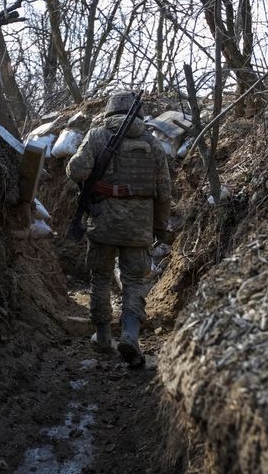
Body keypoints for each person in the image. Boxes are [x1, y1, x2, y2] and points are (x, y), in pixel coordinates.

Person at [66, 91, 171, 367]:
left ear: (110, 112)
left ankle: (102, 337)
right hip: (139, 228)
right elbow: (164, 192)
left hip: (102, 222)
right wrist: (160, 228)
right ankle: (130, 336)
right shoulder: (153, 144)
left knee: (100, 278)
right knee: (135, 282)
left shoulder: (97, 135)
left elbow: (75, 170)